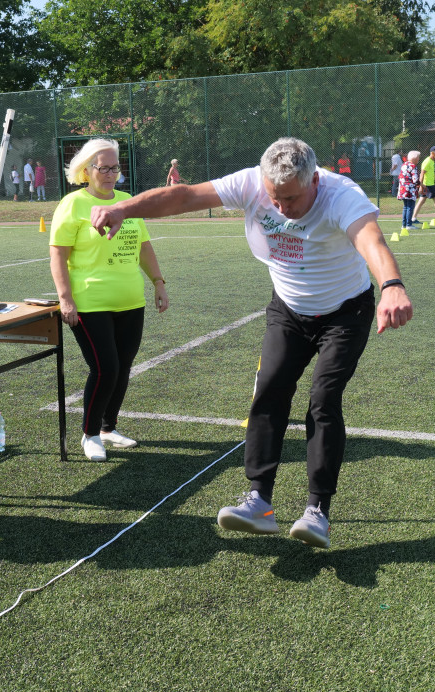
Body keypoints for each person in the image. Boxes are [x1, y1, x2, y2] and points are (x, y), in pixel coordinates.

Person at [91, 137, 412, 549]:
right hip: (289, 310)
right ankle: (259, 500)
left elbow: (372, 241)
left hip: (345, 312)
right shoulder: (250, 184)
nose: (283, 208)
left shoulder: (341, 195)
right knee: (269, 390)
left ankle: (317, 512)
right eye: (275, 198)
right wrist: (123, 207)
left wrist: (392, 285)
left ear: (314, 179)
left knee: (323, 398)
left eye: (292, 198)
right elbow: (183, 196)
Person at [50, 138, 168, 463]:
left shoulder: (128, 202)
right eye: (104, 168)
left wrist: (158, 282)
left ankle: (107, 427)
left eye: (116, 167)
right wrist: (66, 300)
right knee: (105, 368)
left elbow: (143, 246)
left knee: (123, 367)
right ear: (87, 170)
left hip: (131, 300)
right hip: (90, 302)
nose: (111, 173)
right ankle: (89, 434)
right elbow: (57, 256)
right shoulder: (72, 204)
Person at [397, 150, 421, 229]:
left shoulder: (404, 165)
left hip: (403, 189)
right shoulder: (413, 166)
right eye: (418, 158)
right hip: (410, 190)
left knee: (405, 207)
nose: (418, 159)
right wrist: (421, 185)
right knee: (410, 207)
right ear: (414, 158)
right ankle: (409, 224)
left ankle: (404, 225)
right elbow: (415, 179)